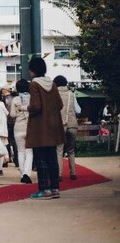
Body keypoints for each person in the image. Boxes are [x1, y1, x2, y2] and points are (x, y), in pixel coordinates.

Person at [26, 57, 65, 200]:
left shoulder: (34, 84)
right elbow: (59, 105)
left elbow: (36, 106)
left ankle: (44, 189)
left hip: (39, 127)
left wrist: (26, 108)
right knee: (52, 159)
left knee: (40, 158)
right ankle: (55, 188)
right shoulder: (52, 84)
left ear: (33, 70)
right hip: (53, 126)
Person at [54, 75, 79, 181]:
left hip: (59, 125)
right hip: (72, 124)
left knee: (59, 150)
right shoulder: (71, 94)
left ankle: (59, 174)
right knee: (71, 150)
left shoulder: (54, 95)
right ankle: (73, 173)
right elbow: (78, 110)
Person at [11, 79, 33, 184]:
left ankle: (22, 173)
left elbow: (12, 115)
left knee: (20, 151)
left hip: (18, 128)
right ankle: (27, 174)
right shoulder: (32, 98)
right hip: (30, 127)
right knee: (29, 151)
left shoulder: (15, 99)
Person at [2, 87, 19, 167]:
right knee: (14, 140)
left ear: (5, 90)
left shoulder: (4, 99)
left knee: (7, 141)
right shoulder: (15, 98)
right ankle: (17, 160)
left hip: (7, 121)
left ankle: (7, 159)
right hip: (15, 121)